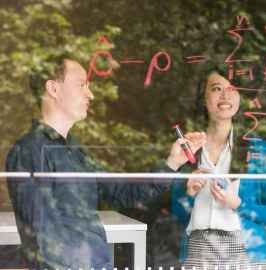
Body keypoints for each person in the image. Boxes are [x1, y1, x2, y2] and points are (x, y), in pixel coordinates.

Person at [6, 56, 169, 270]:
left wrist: (172, 163)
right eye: (81, 85)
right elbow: (44, 239)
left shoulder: (76, 152)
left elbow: (121, 193)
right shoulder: (29, 151)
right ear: (53, 89)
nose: (90, 94)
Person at [164, 68, 266, 270]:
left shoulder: (257, 149)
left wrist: (239, 204)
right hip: (198, 251)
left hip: (245, 253)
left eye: (231, 89)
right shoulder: (189, 148)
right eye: (216, 88)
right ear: (203, 98)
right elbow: (178, 212)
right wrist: (189, 194)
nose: (225, 95)